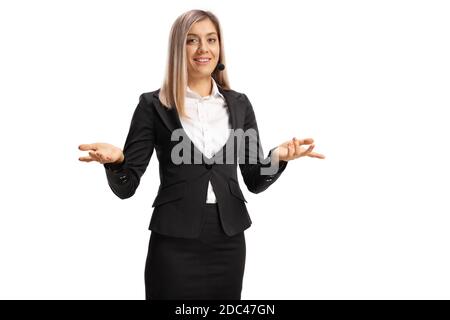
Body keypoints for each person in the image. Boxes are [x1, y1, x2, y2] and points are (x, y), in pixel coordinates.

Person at [78, 9, 325, 300]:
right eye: (192, 40)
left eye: (211, 39)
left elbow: (255, 181)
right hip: (173, 241)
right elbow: (127, 186)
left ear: (220, 47)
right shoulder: (153, 105)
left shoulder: (239, 104)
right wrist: (118, 162)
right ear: (178, 49)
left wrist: (279, 157)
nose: (203, 48)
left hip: (229, 240)